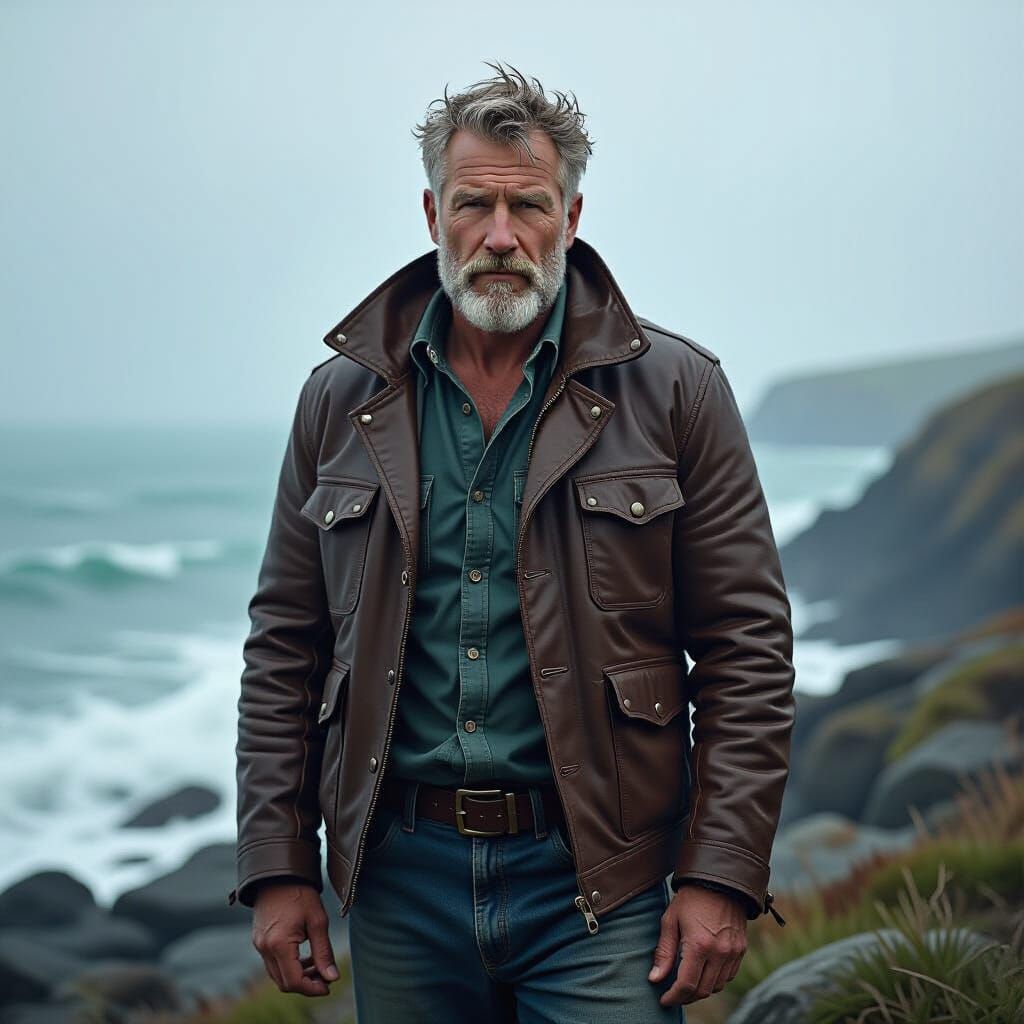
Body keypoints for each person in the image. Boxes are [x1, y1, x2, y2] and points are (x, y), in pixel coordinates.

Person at [229, 61, 795, 1022]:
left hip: (600, 884)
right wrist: (278, 865)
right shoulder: (339, 399)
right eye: (473, 206)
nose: (500, 237)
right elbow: (286, 644)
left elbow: (746, 648)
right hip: (399, 883)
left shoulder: (676, 390)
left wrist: (721, 875)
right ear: (431, 213)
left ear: (571, 218)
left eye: (528, 206)